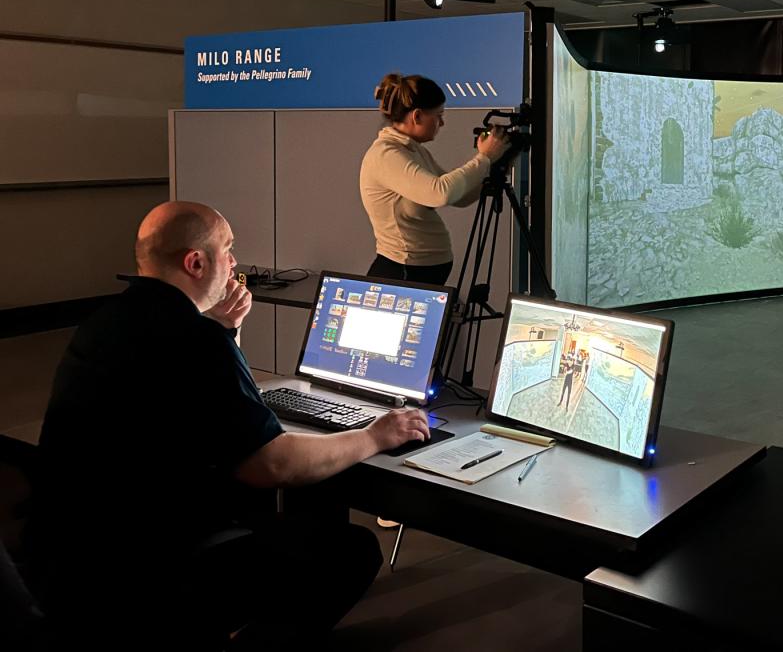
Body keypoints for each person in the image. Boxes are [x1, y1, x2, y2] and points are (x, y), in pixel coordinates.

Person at [25, 201, 431, 650]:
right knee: (350, 552)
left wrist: (224, 329)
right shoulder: (194, 340)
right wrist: (376, 434)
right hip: (149, 569)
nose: (235, 263)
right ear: (196, 262)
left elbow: (189, 404)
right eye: (228, 249)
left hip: (70, 556)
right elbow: (271, 464)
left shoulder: (105, 322)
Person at [360, 73, 509, 287]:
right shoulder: (386, 155)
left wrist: (496, 165)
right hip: (403, 272)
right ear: (417, 116)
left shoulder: (412, 150)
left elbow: (459, 197)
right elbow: (441, 193)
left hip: (418, 271)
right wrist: (483, 158)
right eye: (438, 115)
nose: (442, 122)